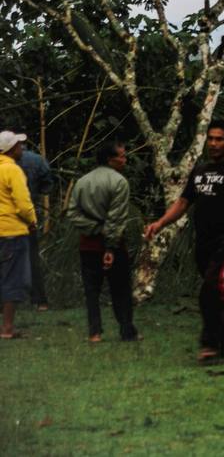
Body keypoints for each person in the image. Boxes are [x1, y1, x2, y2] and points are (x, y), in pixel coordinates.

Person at [144, 118, 224, 362]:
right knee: (218, 290)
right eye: (211, 138)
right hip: (204, 239)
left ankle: (209, 344)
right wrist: (160, 223)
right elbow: (183, 203)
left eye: (219, 139)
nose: (213, 144)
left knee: (210, 288)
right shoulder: (200, 171)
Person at [67, 142, 140, 342]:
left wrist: (92, 229)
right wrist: (110, 245)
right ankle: (127, 330)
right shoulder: (119, 182)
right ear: (110, 159)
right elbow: (116, 218)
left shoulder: (82, 181)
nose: (125, 160)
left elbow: (72, 213)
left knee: (92, 290)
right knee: (121, 288)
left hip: (87, 243)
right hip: (113, 244)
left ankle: (94, 332)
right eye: (122, 156)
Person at [0, 130, 37, 340]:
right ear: (10, 149)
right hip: (12, 231)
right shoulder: (12, 170)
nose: (21, 148)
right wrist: (32, 222)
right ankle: (7, 328)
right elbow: (23, 203)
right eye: (18, 145)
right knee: (12, 279)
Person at [15, 130, 53, 311]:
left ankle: (6, 303)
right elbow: (47, 186)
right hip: (28, 215)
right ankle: (40, 300)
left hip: (4, 218)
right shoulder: (37, 160)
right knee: (32, 258)